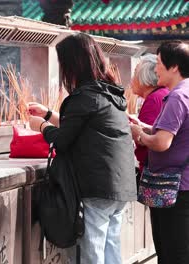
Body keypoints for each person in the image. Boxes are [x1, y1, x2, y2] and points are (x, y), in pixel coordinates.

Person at [28, 33, 136, 264]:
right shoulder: (108, 93)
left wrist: (42, 127)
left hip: (97, 187)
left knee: (91, 253)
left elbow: (63, 140)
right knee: (110, 250)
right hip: (120, 185)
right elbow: (80, 126)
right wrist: (47, 114)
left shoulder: (84, 96)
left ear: (72, 63)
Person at [130, 40, 189, 264]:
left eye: (159, 63)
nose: (155, 69)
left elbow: (162, 142)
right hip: (183, 186)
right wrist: (145, 127)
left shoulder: (177, 96)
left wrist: (140, 135)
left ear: (174, 67)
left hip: (176, 188)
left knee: (173, 253)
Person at [129, 54, 169, 172]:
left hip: (154, 170)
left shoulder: (154, 99)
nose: (132, 78)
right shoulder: (161, 94)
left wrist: (137, 133)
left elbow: (151, 143)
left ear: (145, 76)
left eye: (135, 72)